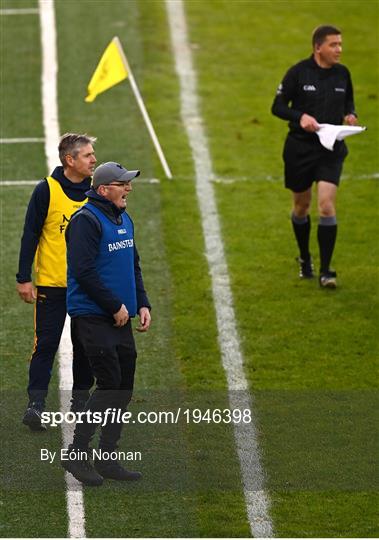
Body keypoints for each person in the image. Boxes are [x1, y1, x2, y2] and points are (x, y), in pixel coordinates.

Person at [61, 161, 151, 486]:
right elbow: (83, 271)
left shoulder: (123, 217)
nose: (128, 188)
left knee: (123, 386)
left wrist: (143, 303)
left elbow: (134, 265)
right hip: (94, 317)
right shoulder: (86, 221)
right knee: (110, 382)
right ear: (103, 190)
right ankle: (77, 452)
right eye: (122, 184)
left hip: (121, 316)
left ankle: (108, 456)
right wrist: (114, 306)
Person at [17, 133, 96, 430]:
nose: (94, 159)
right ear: (70, 160)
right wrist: (24, 278)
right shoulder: (46, 191)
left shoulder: (96, 192)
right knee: (45, 345)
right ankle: (35, 405)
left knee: (85, 345)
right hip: (52, 285)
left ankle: (80, 401)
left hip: (87, 288)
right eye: (88, 155)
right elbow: (30, 235)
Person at [271, 25, 358, 288]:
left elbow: (349, 103)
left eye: (340, 44)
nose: (339, 50)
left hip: (330, 149)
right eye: (334, 45)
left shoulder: (343, 74)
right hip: (300, 148)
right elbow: (276, 107)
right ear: (318, 47)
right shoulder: (298, 73)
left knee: (326, 206)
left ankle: (326, 271)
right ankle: (305, 258)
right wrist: (301, 117)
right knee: (301, 206)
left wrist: (350, 115)